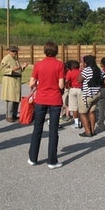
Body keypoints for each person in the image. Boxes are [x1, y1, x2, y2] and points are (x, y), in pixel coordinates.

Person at [28, 41, 65, 169]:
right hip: (54, 99)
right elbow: (61, 85)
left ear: (45, 51)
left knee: (37, 128)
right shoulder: (59, 65)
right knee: (53, 130)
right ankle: (52, 160)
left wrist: (39, 84)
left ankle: (33, 158)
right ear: (56, 51)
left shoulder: (38, 64)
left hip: (41, 98)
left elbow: (31, 83)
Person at [77, 55, 105, 137]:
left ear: (86, 62)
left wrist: (82, 69)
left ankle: (87, 131)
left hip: (87, 95)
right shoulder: (98, 70)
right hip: (96, 94)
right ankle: (93, 130)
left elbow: (79, 80)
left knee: (82, 113)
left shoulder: (86, 70)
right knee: (92, 112)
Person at [0, 46, 29, 122]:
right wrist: (13, 69)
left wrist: (23, 67)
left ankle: (14, 115)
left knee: (16, 99)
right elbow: (3, 70)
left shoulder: (15, 59)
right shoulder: (6, 59)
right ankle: (9, 116)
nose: (14, 53)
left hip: (16, 80)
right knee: (11, 99)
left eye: (15, 51)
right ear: (9, 51)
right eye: (13, 51)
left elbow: (18, 69)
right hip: (10, 80)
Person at [65, 60, 82, 128]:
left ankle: (76, 122)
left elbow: (66, 81)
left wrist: (68, 87)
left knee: (74, 107)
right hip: (80, 89)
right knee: (81, 106)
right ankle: (82, 120)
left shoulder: (70, 72)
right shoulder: (81, 72)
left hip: (73, 89)